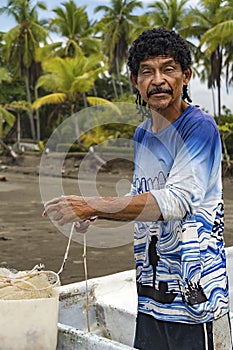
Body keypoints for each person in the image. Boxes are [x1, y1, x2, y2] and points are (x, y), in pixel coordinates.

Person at [44, 28, 232, 350]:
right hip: (150, 295)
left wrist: (92, 204)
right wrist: (96, 215)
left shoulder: (199, 127)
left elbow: (174, 201)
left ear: (185, 76)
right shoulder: (143, 135)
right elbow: (140, 197)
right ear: (135, 81)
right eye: (147, 71)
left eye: (168, 69)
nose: (158, 80)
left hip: (196, 301)